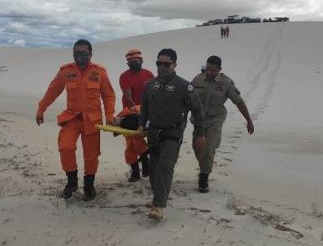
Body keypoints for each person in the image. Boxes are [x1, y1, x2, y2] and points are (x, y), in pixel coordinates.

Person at [36, 39, 116, 201]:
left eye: (84, 53)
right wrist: (41, 108)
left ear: (90, 54)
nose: (80, 56)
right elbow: (53, 90)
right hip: (72, 118)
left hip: (93, 120)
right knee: (65, 147)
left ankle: (89, 186)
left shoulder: (99, 72)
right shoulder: (66, 71)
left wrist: (109, 115)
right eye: (77, 53)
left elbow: (108, 95)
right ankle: (72, 182)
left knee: (91, 155)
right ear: (73, 53)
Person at [138, 48, 206, 220]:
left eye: (166, 64)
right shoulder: (149, 85)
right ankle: (157, 197)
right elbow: (144, 108)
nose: (161, 67)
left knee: (165, 166)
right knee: (153, 169)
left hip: (173, 132)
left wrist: (200, 133)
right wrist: (141, 125)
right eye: (158, 63)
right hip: (153, 132)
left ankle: (159, 206)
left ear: (175, 64)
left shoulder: (184, 86)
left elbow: (198, 110)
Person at [191, 55, 254, 193]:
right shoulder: (197, 79)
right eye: (207, 69)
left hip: (215, 119)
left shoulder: (226, 83)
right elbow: (187, 99)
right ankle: (204, 166)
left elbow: (239, 102)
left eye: (213, 70)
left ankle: (204, 177)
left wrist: (248, 120)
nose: (209, 72)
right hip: (198, 120)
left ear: (219, 69)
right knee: (197, 148)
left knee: (208, 148)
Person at [119, 49, 154, 182]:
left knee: (138, 139)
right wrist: (137, 109)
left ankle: (145, 165)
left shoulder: (149, 74)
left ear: (141, 60)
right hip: (130, 113)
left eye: (136, 60)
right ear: (127, 62)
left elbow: (153, 93)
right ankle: (137, 169)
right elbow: (127, 96)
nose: (134, 62)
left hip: (147, 113)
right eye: (131, 61)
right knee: (131, 141)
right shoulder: (124, 76)